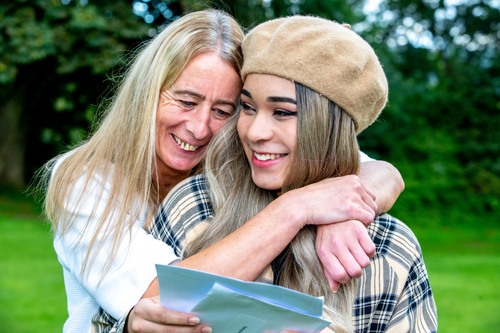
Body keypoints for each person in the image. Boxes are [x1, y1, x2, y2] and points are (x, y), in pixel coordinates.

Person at [37, 9, 404, 333]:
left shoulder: (249, 162)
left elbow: (379, 172)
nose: (198, 128)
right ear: (147, 93)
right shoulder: (84, 181)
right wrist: (298, 207)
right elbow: (167, 298)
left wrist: (346, 215)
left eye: (224, 110)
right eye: (186, 101)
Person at [126, 15, 438, 333]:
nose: (255, 132)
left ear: (330, 128)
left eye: (283, 112)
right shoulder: (195, 206)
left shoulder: (387, 249)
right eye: (247, 107)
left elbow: (378, 172)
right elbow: (127, 316)